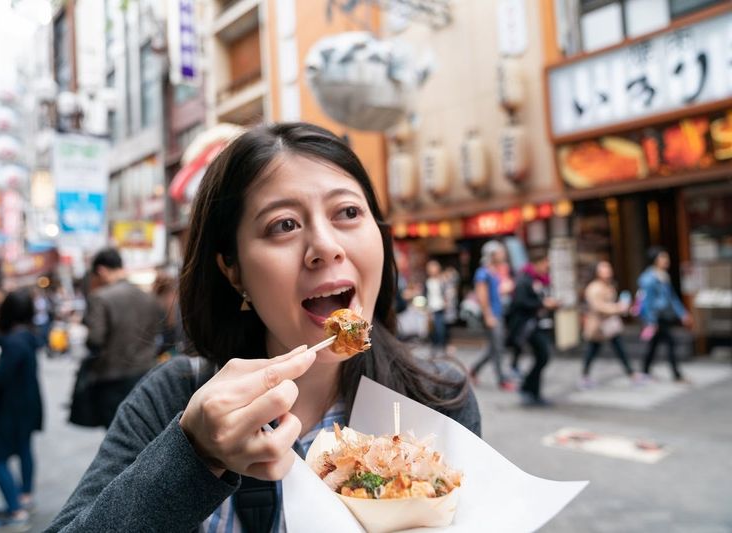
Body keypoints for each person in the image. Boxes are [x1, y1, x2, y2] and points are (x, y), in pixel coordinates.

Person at [47, 122, 480, 532]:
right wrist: (193, 454)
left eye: (347, 212)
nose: (325, 247)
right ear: (233, 271)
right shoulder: (175, 398)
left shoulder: (437, 399)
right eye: (283, 225)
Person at [0, 289, 43, 531]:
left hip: (10, 407)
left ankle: (16, 511)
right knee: (24, 448)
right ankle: (24, 497)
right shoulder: (28, 336)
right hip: (27, 403)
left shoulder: (14, 340)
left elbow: (1, 379)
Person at [83, 248, 164, 428]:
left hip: (113, 377)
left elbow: (95, 339)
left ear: (102, 270)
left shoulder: (100, 298)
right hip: (145, 373)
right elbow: (159, 330)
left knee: (116, 435)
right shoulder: (147, 297)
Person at [506, 248, 558, 406]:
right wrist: (543, 304)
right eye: (545, 262)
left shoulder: (541, 280)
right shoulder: (524, 280)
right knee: (543, 355)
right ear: (537, 263)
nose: (547, 265)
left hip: (539, 324)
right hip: (528, 326)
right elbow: (520, 302)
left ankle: (531, 390)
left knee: (542, 357)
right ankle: (529, 389)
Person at [581, 261, 641, 387]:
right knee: (592, 350)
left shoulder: (609, 285)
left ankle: (631, 373)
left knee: (619, 348)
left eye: (608, 268)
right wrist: (618, 308)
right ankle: (584, 376)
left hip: (609, 325)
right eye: (604, 269)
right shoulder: (594, 287)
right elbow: (598, 307)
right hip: (598, 325)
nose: (608, 271)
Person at [637, 246, 693, 382]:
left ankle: (644, 371)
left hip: (664, 316)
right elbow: (647, 302)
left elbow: (672, 298)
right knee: (670, 344)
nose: (666, 260)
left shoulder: (663, 276)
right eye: (663, 257)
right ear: (655, 260)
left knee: (654, 345)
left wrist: (682, 313)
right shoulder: (648, 279)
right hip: (657, 317)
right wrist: (651, 321)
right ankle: (676, 375)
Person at [470, 241, 515, 391]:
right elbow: (482, 295)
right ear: (492, 254)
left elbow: (495, 293)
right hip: (492, 315)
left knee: (494, 348)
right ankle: (502, 379)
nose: (503, 255)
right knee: (498, 348)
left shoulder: (494, 271)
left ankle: (474, 370)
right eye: (500, 252)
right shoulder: (483, 272)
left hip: (498, 313)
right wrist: (488, 315)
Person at [425, 260, 448, 356]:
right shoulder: (427, 282)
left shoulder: (442, 280)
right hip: (431, 308)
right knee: (432, 329)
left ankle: (442, 346)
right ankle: (434, 346)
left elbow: (446, 292)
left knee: (440, 328)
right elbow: (426, 295)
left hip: (440, 307)